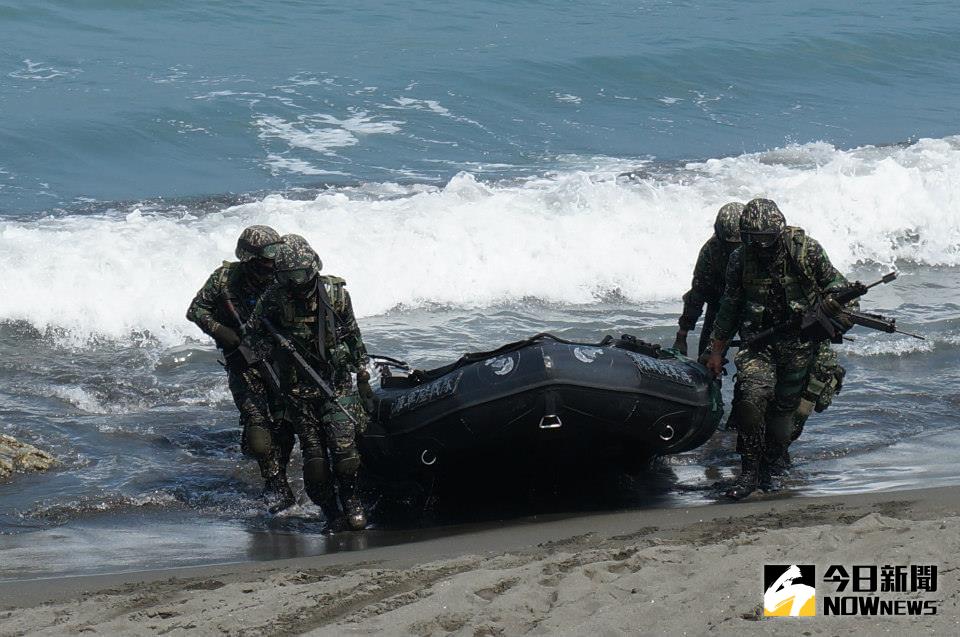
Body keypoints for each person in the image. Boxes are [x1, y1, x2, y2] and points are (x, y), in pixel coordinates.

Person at [705, 198, 853, 499]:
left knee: (783, 422)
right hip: (758, 344)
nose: (759, 247)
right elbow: (729, 307)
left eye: (765, 240)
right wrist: (716, 350)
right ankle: (748, 473)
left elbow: (839, 288)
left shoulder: (806, 251)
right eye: (752, 240)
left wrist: (833, 316)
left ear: (778, 232)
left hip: (800, 346)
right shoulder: (739, 259)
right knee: (751, 398)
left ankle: (770, 465)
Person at [244, 240, 372, 530]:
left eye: (299, 275)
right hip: (298, 394)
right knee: (315, 463)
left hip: (335, 386)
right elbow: (252, 338)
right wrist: (275, 347)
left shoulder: (336, 294)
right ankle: (331, 513)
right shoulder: (274, 298)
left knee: (345, 454)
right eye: (287, 276)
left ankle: (352, 501)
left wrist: (359, 370)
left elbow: (352, 334)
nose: (294, 283)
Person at [186, 225, 295, 513]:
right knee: (259, 427)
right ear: (249, 259)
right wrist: (223, 332)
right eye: (265, 260)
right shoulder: (224, 279)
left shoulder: (284, 277)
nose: (271, 265)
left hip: (282, 362)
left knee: (284, 423)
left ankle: (278, 465)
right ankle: (276, 483)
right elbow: (196, 310)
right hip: (243, 362)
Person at [674, 202, 745, 357]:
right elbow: (698, 292)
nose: (734, 250)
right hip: (719, 305)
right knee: (706, 359)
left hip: (753, 307)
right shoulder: (711, 252)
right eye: (729, 245)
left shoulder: (762, 248)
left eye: (738, 244)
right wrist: (682, 334)